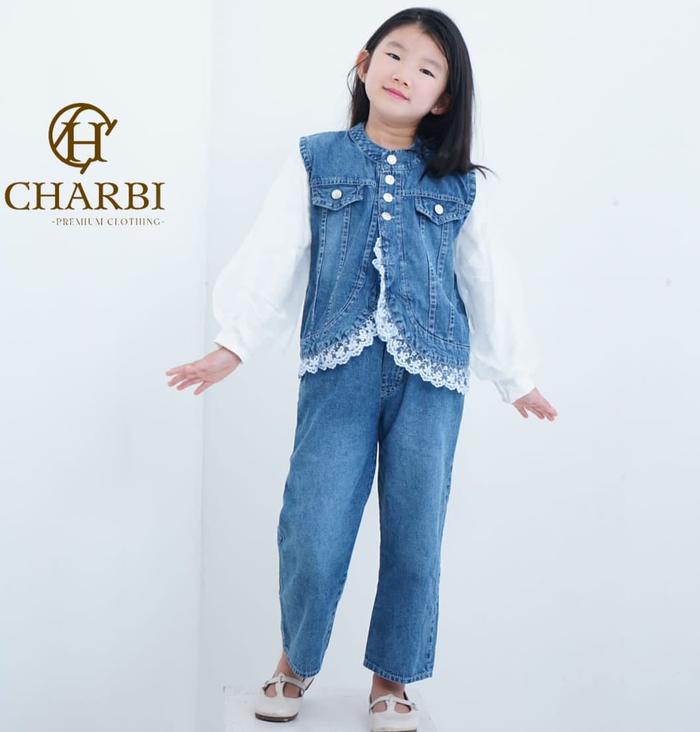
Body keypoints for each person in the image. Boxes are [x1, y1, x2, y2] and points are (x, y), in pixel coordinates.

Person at [166, 7, 558, 731]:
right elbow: (275, 250)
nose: (405, 73)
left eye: (427, 68)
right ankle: (296, 661)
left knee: (415, 535)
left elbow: (488, 281)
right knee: (313, 529)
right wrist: (234, 342)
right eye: (395, 55)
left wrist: (516, 375)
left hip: (432, 377)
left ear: (443, 97)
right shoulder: (316, 159)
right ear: (364, 63)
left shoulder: (461, 184)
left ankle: (392, 677)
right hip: (337, 367)